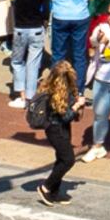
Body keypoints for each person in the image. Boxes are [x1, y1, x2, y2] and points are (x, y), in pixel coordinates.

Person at [29, 53, 84, 206]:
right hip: (55, 129)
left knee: (61, 158)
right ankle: (46, 186)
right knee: (68, 159)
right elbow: (65, 116)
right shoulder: (56, 93)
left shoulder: (55, 87)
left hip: (62, 128)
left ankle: (54, 192)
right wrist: (76, 106)